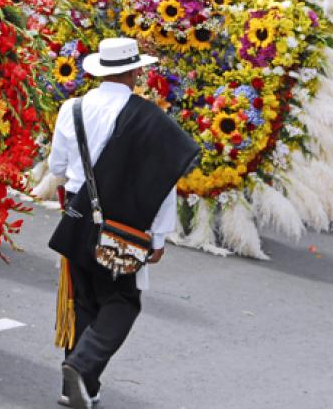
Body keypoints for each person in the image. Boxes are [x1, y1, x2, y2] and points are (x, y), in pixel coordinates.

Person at [47, 37, 199, 409]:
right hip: (124, 224)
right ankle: (81, 367)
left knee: (83, 300)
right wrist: (159, 236)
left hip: (79, 217)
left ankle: (80, 388)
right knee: (122, 300)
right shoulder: (150, 119)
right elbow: (164, 184)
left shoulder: (74, 108)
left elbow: (58, 169)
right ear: (134, 71)